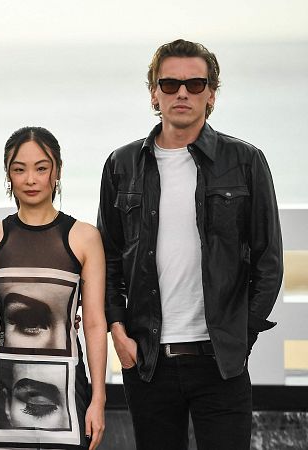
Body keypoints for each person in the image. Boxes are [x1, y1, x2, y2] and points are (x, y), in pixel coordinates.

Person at [97, 39, 283, 450]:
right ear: (154, 94)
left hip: (220, 362)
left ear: (211, 94)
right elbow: (108, 258)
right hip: (148, 361)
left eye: (195, 84)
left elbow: (268, 262)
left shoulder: (245, 161)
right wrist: (118, 332)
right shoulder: (121, 165)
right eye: (170, 84)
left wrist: (241, 335)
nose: (182, 93)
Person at [0, 127, 106, 449]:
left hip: (70, 385)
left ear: (57, 171)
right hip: (2, 385)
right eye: (19, 169)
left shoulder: (84, 237)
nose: (30, 179)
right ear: (8, 175)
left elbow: (93, 322)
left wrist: (99, 398)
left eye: (41, 168)